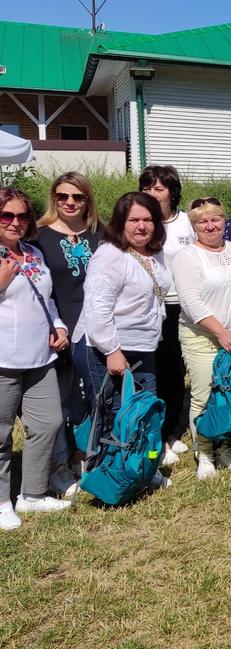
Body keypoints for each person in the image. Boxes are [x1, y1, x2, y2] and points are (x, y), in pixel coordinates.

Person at [72, 192, 171, 491]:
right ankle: (105, 473)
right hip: (104, 347)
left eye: (148, 220)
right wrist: (112, 351)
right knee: (111, 411)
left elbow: (156, 296)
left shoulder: (154, 253)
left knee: (142, 411)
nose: (142, 226)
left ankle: (137, 466)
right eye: (134, 220)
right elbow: (97, 309)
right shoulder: (110, 255)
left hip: (143, 346)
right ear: (120, 222)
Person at [0, 188, 71, 530]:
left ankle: (32, 493)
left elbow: (48, 299)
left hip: (40, 358)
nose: (16, 222)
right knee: (1, 435)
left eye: (22, 216)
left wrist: (57, 325)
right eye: (7, 216)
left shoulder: (33, 253)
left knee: (48, 423)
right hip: (3, 361)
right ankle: (1, 502)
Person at [172, 198, 231, 479]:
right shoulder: (188, 256)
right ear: (194, 225)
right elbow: (190, 301)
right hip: (203, 336)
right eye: (202, 221)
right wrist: (220, 332)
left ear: (224, 221)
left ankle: (224, 447)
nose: (210, 226)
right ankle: (204, 451)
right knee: (206, 394)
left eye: (215, 219)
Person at [32, 172, 105, 497]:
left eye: (78, 197)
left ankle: (88, 456)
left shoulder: (99, 234)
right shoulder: (38, 236)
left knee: (93, 397)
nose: (70, 203)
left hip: (96, 330)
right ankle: (58, 467)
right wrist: (51, 326)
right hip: (57, 331)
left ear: (87, 200)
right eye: (62, 196)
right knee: (60, 403)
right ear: (54, 198)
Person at [139, 165, 195, 465]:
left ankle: (172, 430)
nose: (151, 193)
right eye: (146, 188)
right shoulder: (139, 222)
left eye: (158, 188)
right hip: (149, 307)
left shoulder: (186, 222)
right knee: (153, 370)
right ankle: (155, 436)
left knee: (175, 371)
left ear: (172, 192)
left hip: (181, 304)